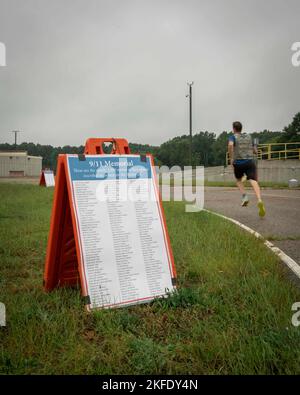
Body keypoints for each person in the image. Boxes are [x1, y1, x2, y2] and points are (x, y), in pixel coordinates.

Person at [228, 121, 266, 217]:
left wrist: (231, 158)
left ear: (234, 129)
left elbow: (231, 145)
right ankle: (259, 199)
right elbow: (255, 151)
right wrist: (254, 151)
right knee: (253, 180)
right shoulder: (249, 137)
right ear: (241, 128)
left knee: (238, 180)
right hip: (249, 162)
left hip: (239, 163)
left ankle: (245, 196)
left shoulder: (233, 137)